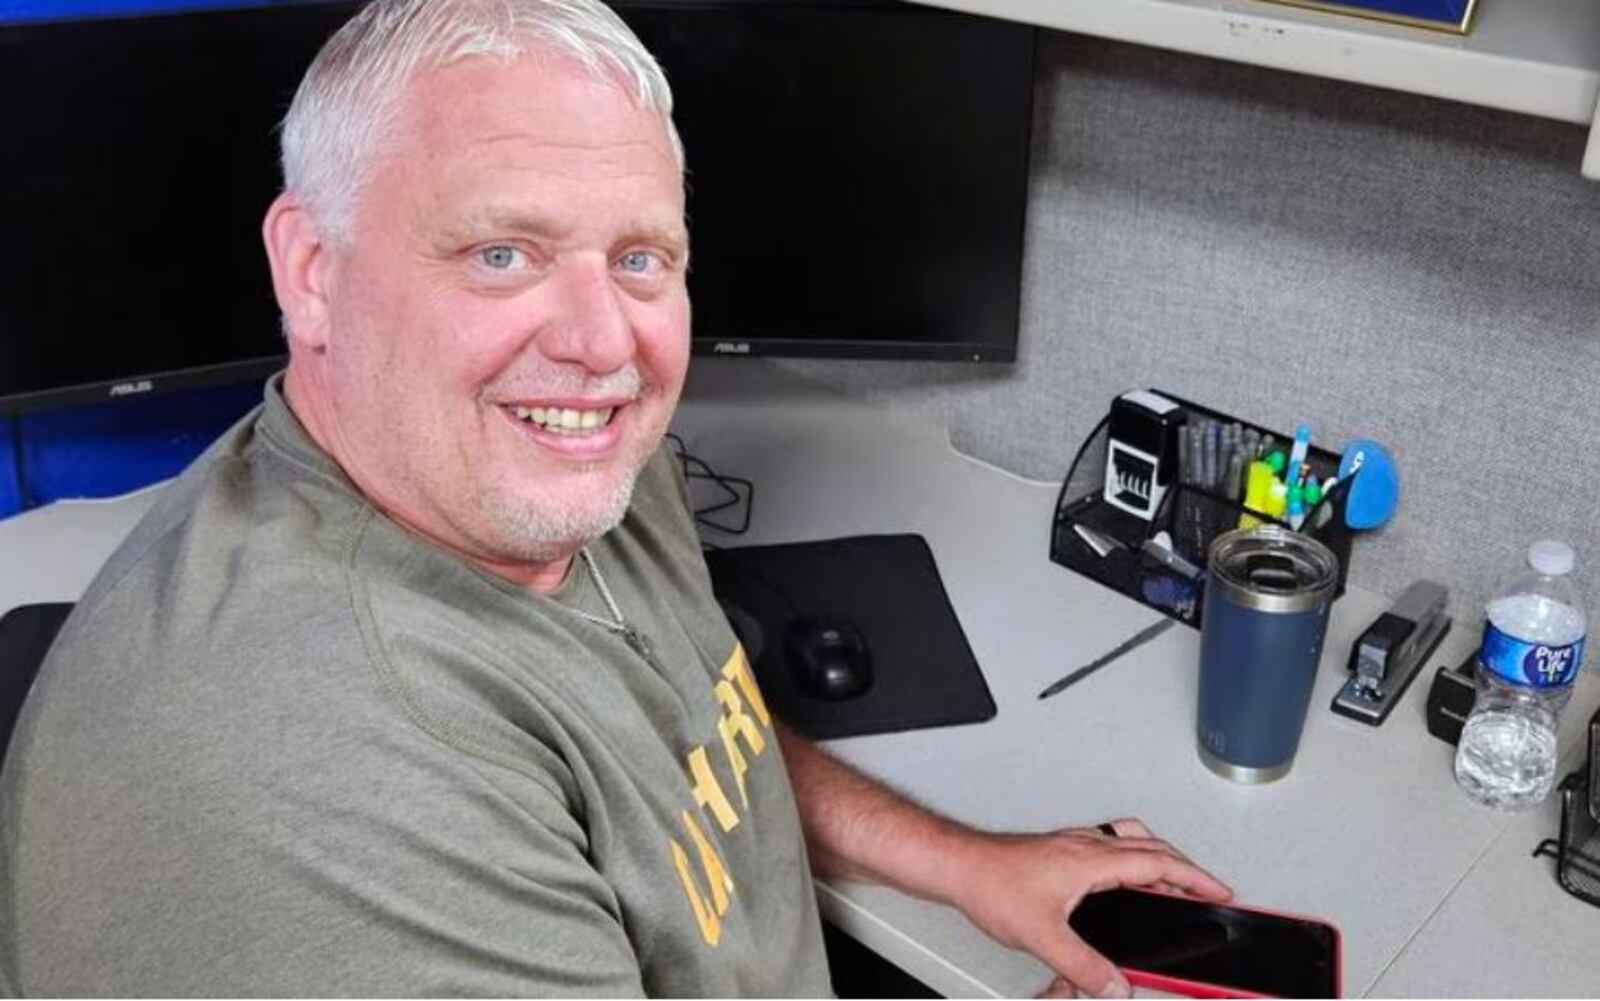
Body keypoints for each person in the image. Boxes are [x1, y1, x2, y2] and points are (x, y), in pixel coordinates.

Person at [0, 0, 1230, 995]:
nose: (604, 343)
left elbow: (693, 729)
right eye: (503, 253)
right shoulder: (330, 786)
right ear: (313, 272)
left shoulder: (558, 467)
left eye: (641, 258)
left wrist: (966, 864)